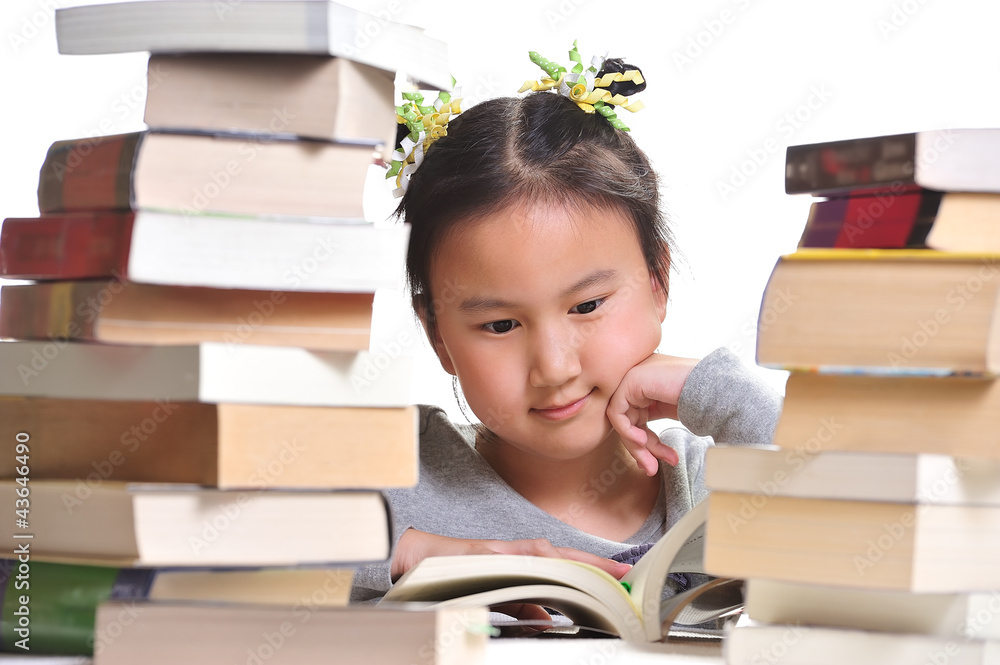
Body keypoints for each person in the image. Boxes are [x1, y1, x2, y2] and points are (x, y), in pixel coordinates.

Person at [350, 49, 782, 604]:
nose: (554, 367)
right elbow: (214, 537)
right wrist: (406, 552)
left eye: (587, 307)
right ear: (437, 334)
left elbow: (892, 525)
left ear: (658, 283)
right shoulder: (388, 475)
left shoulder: (722, 477)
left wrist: (721, 394)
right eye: (501, 324)